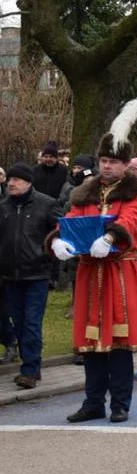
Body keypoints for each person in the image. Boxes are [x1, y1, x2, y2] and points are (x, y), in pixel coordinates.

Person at [50, 99, 137, 424]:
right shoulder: (85, 191)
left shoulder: (136, 191)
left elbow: (133, 219)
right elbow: (70, 219)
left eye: (113, 161)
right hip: (89, 273)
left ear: (125, 164)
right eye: (104, 160)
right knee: (90, 340)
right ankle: (93, 402)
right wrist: (58, 240)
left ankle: (120, 404)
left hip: (119, 271)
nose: (107, 166)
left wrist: (109, 238)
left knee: (120, 341)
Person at [0, 163, 62, 388]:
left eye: (17, 180)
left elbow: (59, 233)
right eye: (10, 179)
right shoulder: (3, 207)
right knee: (18, 322)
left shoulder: (46, 204)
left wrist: (49, 259)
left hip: (37, 274)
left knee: (31, 323)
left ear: (28, 183)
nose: (12, 183)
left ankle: (30, 370)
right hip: (10, 276)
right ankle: (30, 363)